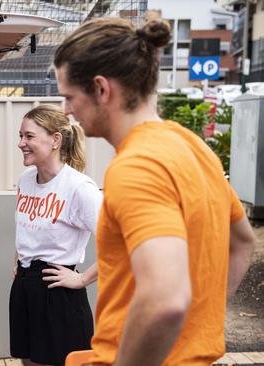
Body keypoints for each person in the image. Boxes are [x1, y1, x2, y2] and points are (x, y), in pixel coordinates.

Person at [53, 12, 256, 366]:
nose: (66, 111)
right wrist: (198, 323)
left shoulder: (136, 167)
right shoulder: (193, 147)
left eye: (69, 97)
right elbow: (242, 242)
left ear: (102, 89)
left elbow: (165, 300)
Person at [10, 104, 100, 366]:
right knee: (28, 362)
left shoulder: (79, 188)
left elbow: (123, 245)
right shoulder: (25, 180)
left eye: (29, 136)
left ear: (55, 140)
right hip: (25, 288)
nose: (21, 144)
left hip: (58, 292)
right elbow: (28, 226)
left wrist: (82, 278)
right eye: (20, 136)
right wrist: (20, 257)